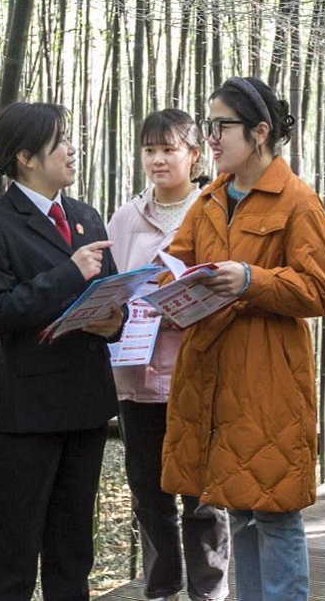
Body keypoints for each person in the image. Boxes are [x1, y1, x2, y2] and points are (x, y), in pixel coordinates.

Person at [159, 77, 325, 601]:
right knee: (237, 506)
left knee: (275, 511)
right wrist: (170, 289)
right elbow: (179, 259)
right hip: (212, 375)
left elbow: (319, 291)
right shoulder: (210, 198)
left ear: (259, 132)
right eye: (209, 126)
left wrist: (252, 280)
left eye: (223, 127)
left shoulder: (298, 202)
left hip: (268, 379)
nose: (211, 138)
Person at [0, 101, 126, 601]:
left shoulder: (86, 216)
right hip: (28, 415)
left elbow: (113, 293)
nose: (73, 149)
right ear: (26, 157)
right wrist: (68, 274)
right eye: (61, 141)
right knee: (12, 553)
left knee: (73, 550)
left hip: (85, 404)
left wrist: (112, 320)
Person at [106, 109, 230, 601]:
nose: (158, 159)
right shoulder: (124, 218)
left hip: (196, 373)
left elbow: (232, 288)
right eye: (150, 150)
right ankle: (161, 590)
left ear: (195, 156)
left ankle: (209, 591)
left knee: (202, 495)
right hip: (136, 378)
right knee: (148, 493)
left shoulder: (217, 210)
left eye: (169, 149)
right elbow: (108, 288)